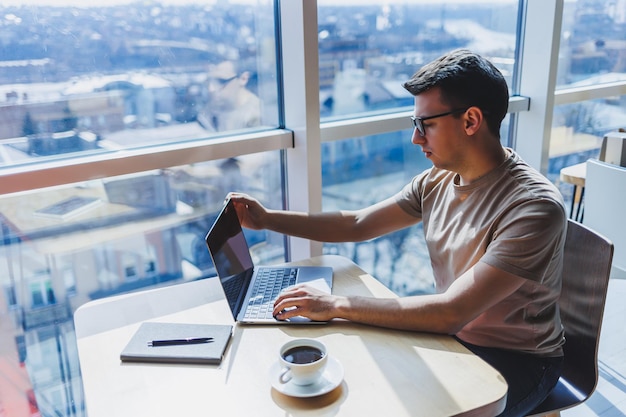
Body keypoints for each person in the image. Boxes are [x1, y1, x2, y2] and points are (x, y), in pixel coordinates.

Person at [228, 49, 566, 417]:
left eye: (426, 124)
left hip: (516, 361)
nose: (415, 139)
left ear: (471, 121)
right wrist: (266, 219)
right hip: (454, 338)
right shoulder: (438, 178)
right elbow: (358, 224)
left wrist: (335, 305)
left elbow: (451, 311)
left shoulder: (533, 207)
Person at [196, 60, 262, 131]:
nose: (211, 89)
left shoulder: (257, 114)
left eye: (221, 81)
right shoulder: (212, 108)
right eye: (209, 81)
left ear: (243, 79)